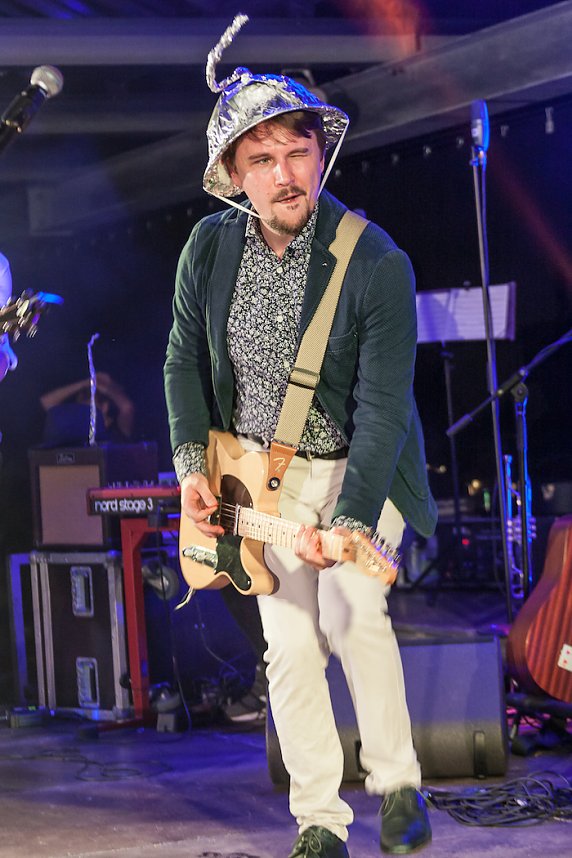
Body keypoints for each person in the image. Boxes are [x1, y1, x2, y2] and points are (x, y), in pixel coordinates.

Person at [164, 16, 437, 858]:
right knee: (287, 647)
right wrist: (189, 470)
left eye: (297, 152)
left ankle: (398, 783)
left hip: (363, 466)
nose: (285, 175)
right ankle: (319, 821)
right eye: (262, 160)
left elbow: (386, 409)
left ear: (320, 155)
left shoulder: (377, 262)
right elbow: (181, 359)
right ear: (233, 176)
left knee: (356, 612)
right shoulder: (207, 250)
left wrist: (350, 520)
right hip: (259, 481)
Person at [39, 371, 135, 446]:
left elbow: (127, 407)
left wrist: (106, 388)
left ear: (104, 407)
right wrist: (85, 383)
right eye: (82, 408)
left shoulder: (118, 428)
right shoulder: (78, 430)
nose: (84, 412)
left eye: (89, 407)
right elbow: (47, 402)